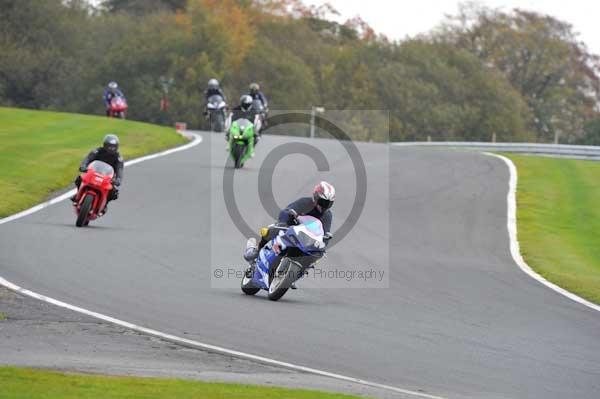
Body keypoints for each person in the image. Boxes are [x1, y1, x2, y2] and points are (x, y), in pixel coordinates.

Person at [244, 182, 335, 288]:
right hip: (291, 229)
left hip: (307, 240)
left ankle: (296, 274)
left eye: (328, 203)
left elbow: (325, 232)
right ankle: (256, 251)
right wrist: (285, 220)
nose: (325, 206)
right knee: (271, 230)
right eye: (323, 202)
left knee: (317, 256)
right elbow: (286, 211)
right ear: (315, 197)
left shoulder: (328, 215)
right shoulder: (305, 202)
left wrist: (323, 243)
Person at [71, 134, 124, 214]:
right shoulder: (97, 151)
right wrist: (83, 166)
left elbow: (120, 169)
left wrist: (118, 179)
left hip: (107, 177)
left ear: (117, 147)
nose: (111, 148)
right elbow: (88, 158)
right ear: (105, 145)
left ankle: (105, 204)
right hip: (93, 172)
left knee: (114, 192)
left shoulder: (118, 158)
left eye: (113, 146)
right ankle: (77, 194)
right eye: (109, 146)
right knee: (79, 179)